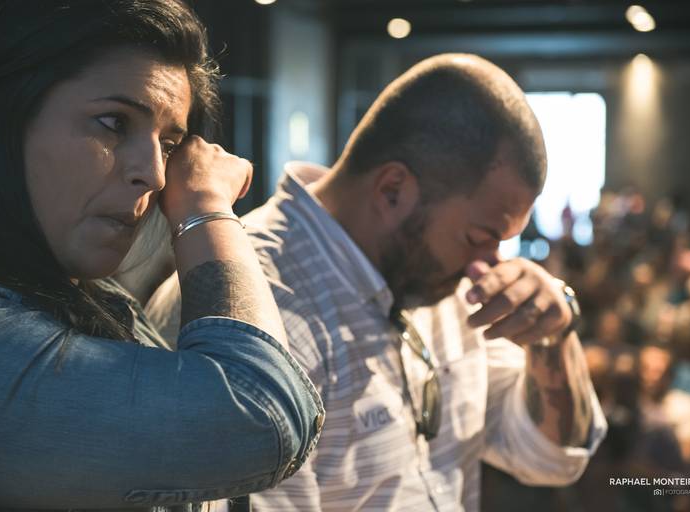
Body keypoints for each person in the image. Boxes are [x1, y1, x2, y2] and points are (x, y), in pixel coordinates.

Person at [146, 54, 607, 511]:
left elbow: (548, 460)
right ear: (392, 190)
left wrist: (552, 336)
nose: (490, 263)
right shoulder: (250, 302)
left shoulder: (437, 278)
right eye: (480, 237)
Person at [0, 1, 323, 510]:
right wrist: (206, 208)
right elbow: (260, 415)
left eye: (169, 144)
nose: (156, 174)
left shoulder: (92, 298)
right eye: (113, 123)